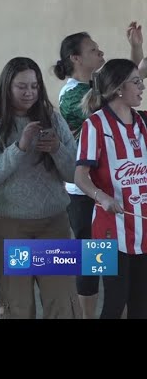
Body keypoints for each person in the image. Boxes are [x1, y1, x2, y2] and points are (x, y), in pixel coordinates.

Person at [0, 57, 81, 319]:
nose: (29, 92)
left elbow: (75, 174)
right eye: (22, 86)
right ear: (7, 87)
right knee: (17, 306)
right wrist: (19, 147)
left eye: (34, 85)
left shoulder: (53, 118)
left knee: (63, 303)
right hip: (10, 229)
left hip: (53, 226)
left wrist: (57, 150)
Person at [53, 24, 146, 318]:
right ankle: (86, 315)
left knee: (132, 286)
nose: (101, 52)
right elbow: (122, 86)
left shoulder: (118, 102)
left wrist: (135, 49)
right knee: (90, 263)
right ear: (75, 58)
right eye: (93, 49)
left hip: (125, 202)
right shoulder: (74, 97)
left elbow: (130, 79)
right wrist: (101, 196)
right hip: (86, 198)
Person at [75, 58, 147, 319]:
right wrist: (101, 196)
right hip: (107, 229)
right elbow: (80, 176)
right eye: (136, 82)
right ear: (118, 88)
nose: (142, 88)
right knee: (115, 301)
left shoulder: (143, 122)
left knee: (141, 304)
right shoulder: (94, 125)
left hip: (143, 227)